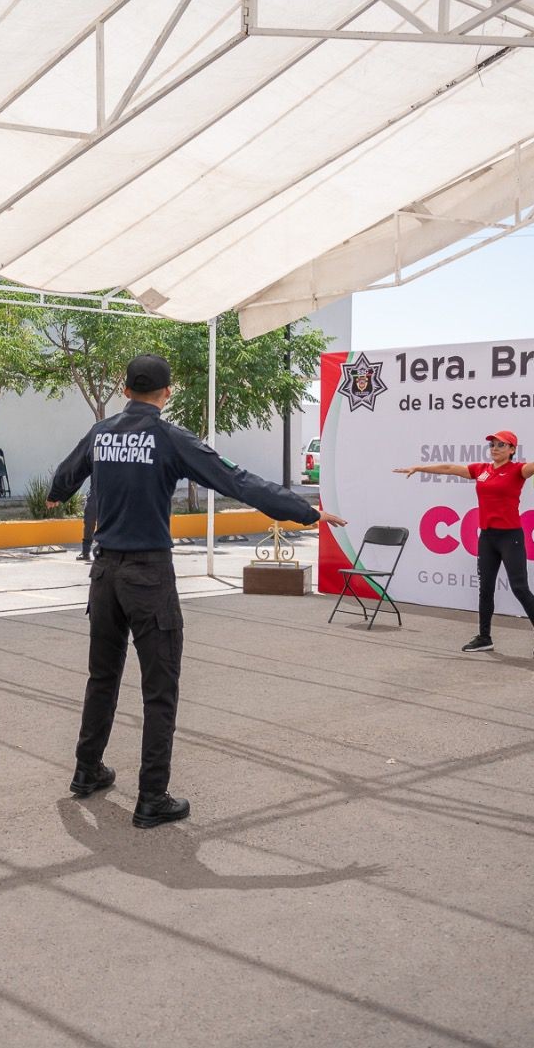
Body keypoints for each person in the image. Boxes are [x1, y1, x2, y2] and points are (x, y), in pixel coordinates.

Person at [49, 354, 344, 828]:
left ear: (124, 390)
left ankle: (87, 771)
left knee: (101, 677)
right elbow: (237, 480)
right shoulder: (169, 437)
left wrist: (60, 494)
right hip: (147, 575)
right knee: (159, 688)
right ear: (166, 394)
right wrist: (305, 512)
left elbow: (63, 480)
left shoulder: (100, 433)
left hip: (104, 574)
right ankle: (152, 797)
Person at [393, 429, 534, 659]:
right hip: (487, 538)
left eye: (501, 445)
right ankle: (485, 638)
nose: (495, 448)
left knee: (520, 588)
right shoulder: (481, 470)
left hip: (510, 537)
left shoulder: (516, 470)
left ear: (512, 449)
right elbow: (449, 469)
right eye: (492, 444)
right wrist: (418, 468)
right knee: (485, 589)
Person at [77, 486, 97, 562]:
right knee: (89, 523)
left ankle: (105, 552)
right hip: (93, 495)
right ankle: (85, 552)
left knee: (104, 524)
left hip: (107, 495)